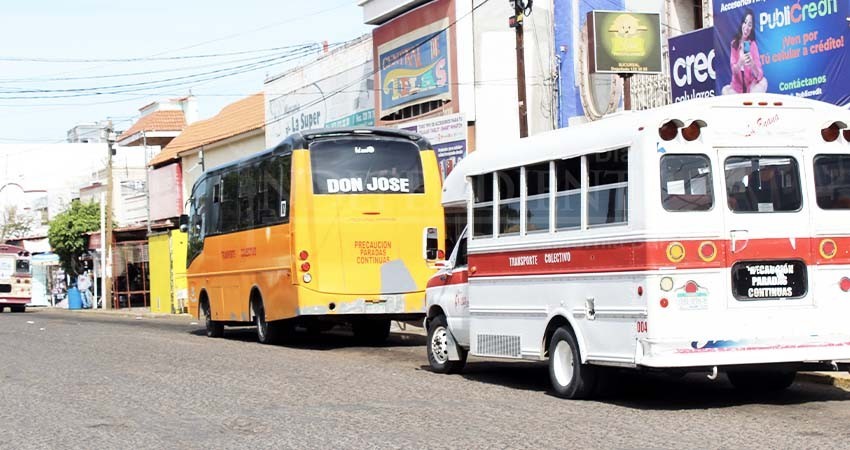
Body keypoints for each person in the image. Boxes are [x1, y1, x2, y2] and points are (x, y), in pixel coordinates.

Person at [721, 8, 768, 95]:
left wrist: (752, 65)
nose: (746, 27)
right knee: (725, 90)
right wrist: (740, 63)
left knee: (764, 82)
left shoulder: (752, 45)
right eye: (745, 22)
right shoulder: (734, 44)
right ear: (742, 23)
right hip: (737, 90)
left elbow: (760, 75)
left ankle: (750, 102)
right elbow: (734, 70)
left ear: (752, 28)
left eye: (750, 25)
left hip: (751, 89)